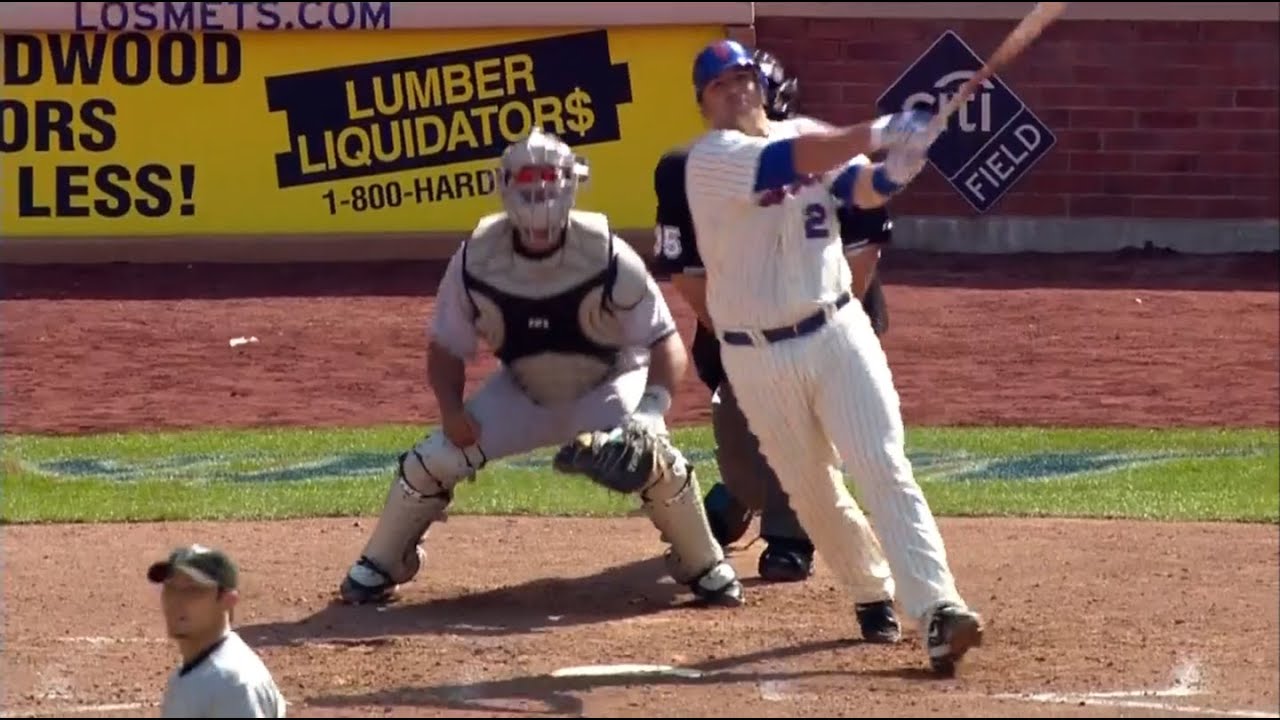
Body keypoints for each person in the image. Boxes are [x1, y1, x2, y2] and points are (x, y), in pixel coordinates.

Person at [338, 128, 744, 609]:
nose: (539, 200)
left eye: (548, 184)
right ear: (504, 186)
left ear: (571, 185)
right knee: (435, 459)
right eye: (528, 185)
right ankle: (382, 564)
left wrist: (652, 410)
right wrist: (451, 409)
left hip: (608, 383)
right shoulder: (476, 257)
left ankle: (704, 565)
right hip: (522, 388)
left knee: (654, 457)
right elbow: (446, 346)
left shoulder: (607, 250)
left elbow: (663, 341)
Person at [682, 39, 985, 675]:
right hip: (756, 355)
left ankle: (938, 609)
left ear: (760, 85)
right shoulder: (710, 159)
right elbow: (792, 161)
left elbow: (859, 186)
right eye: (719, 85)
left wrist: (900, 165)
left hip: (838, 329)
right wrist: (880, 129)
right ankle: (869, 587)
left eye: (742, 77)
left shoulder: (808, 131)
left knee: (882, 464)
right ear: (704, 103)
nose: (735, 89)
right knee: (812, 490)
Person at [651, 48, 901, 645]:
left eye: (752, 85)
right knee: (749, 454)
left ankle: (795, 540)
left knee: (828, 453)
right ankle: (734, 500)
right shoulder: (690, 166)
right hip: (733, 328)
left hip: (830, 324)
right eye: (726, 85)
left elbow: (860, 262)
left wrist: (811, 323)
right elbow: (684, 267)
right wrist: (740, 328)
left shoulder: (829, 155)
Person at [148, 544, 287, 718]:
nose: (176, 600)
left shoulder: (233, 685)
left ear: (228, 600)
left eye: (192, 590)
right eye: (171, 587)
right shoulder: (200, 671)